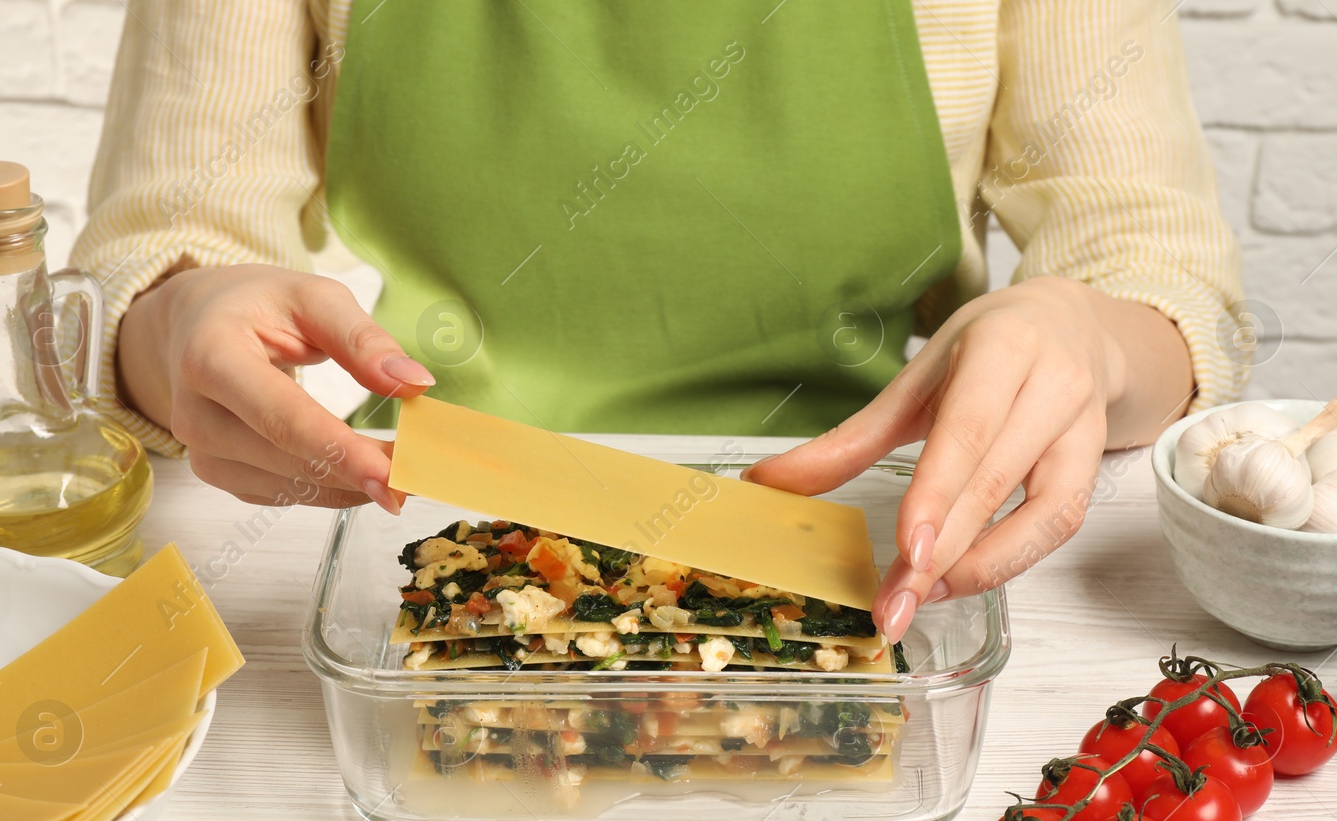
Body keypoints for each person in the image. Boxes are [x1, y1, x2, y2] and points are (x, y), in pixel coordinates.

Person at [71, 0, 1244, 638]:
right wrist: (178, 319)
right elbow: (158, 245)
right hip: (438, 534)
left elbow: (1156, 270)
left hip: (874, 536)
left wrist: (1082, 338)